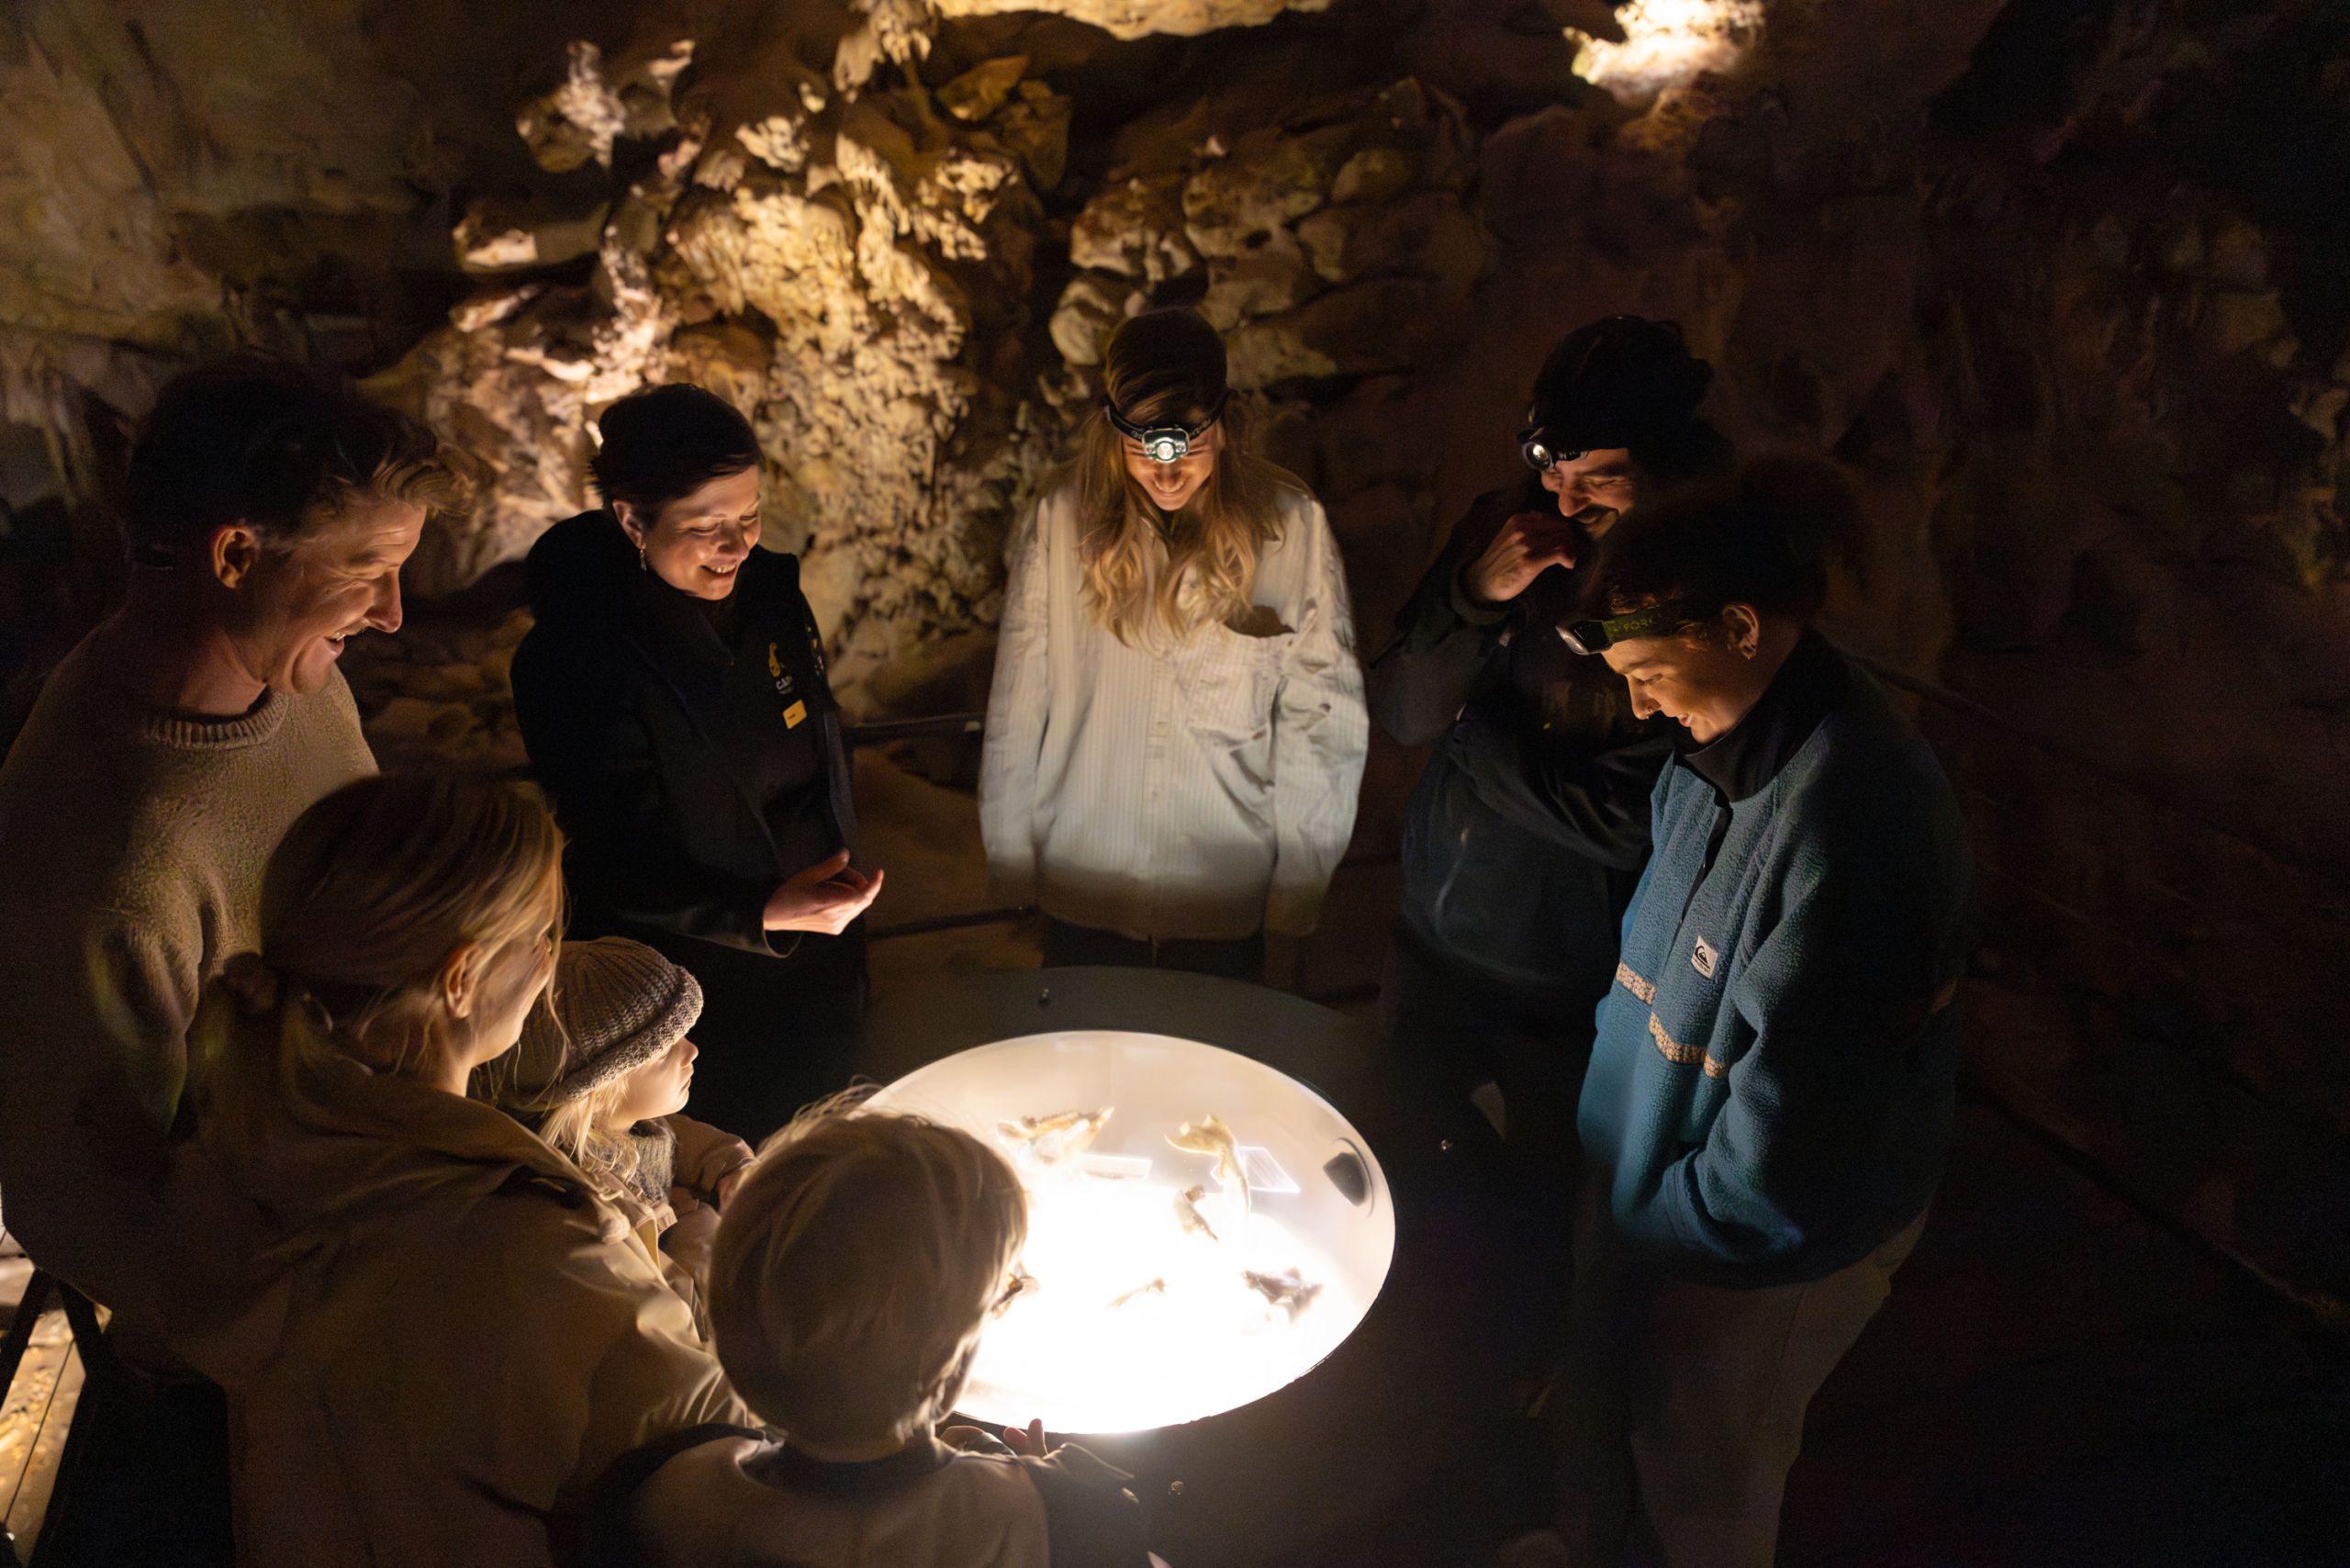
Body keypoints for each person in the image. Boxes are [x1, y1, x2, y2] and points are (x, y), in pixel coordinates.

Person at [0, 355, 460, 1565]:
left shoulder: (294, 687)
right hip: (268, 1344)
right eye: (367, 572)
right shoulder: (118, 863)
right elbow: (92, 1198)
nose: (395, 615)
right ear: (233, 555)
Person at [1532, 458, 1970, 1567]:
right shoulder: (1710, 751)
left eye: (1649, 667)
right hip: (1653, 1186)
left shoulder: (1857, 821)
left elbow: (1798, 1144)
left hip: (1760, 1245)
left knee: (1705, 1471)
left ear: (1737, 625)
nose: (1636, 701)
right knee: (1614, 1408)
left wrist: (1667, 1220)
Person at [163, 773, 750, 1568]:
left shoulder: (246, 1152)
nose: (552, 962)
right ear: (461, 977)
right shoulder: (526, 1241)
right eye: (542, 935)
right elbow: (720, 1467)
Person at [1367, 316, 1731, 1177]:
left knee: (1543, 1214)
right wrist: (1473, 594)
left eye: (1599, 479)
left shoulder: (1700, 580)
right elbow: (1406, 711)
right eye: (1551, 472)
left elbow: (1637, 820)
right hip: (1436, 943)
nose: (1564, 502)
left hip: (1572, 987)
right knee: (1390, 1177)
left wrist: (1479, 742)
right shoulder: (1510, 529)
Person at [511, 384, 879, 1139]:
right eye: (707, 525)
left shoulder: (771, 592)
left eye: (748, 516)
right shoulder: (579, 656)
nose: (737, 544)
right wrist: (760, 913)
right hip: (696, 992)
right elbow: (608, 857)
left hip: (819, 959)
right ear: (630, 520)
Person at [589, 1095, 1153, 1568]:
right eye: (1001, 1296)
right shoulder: (1065, 1522)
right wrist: (1035, 1485)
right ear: (951, 1363)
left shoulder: (660, 1492)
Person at [981, 308, 1368, 984]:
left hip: (1220, 902)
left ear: (1222, 423)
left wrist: (1297, 890)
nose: (1166, 471)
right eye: (1143, 445)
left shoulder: (1289, 526)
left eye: (1186, 442)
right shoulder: (1063, 519)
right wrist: (1011, 862)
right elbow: (1020, 696)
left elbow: (1323, 715)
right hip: (1085, 894)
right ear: (1111, 430)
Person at [483, 935, 756, 1337]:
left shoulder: (637, 1123)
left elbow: (681, 1141)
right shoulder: (592, 1191)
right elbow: (668, 1298)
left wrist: (733, 1165)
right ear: (599, 1090)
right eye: (664, 1051)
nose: (693, 1051)